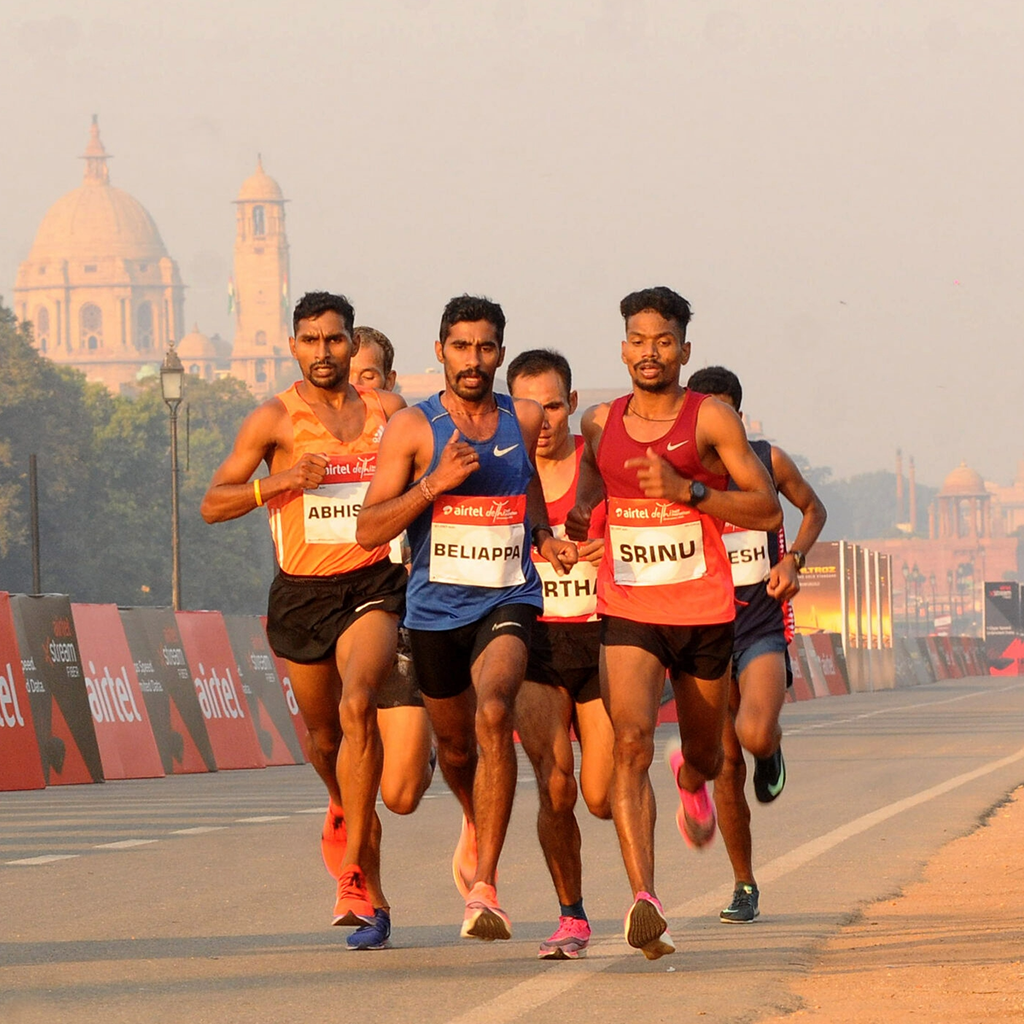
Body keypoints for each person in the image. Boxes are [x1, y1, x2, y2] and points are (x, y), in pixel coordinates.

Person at [201, 292, 427, 951]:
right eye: (310, 340)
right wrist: (283, 482)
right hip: (301, 592)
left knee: (359, 703)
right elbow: (214, 503)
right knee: (326, 738)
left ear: (352, 344)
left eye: (335, 340)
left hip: (373, 584)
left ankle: (357, 879)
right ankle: (343, 810)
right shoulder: (274, 418)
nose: (323, 352)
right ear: (293, 346)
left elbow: (428, 475)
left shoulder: (387, 412)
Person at [565, 286, 782, 960]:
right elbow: (593, 490)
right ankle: (645, 898)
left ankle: (691, 778)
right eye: (638, 338)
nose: (649, 351)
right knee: (629, 741)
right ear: (623, 347)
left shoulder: (711, 420)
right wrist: (579, 522)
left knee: (711, 755)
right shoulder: (601, 422)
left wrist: (690, 491)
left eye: (663, 340)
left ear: (684, 350)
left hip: (704, 610)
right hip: (629, 605)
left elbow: (767, 510)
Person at [356, 295, 578, 942]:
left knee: (494, 709)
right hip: (434, 611)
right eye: (461, 347)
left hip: (508, 596)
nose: (473, 360)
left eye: (485, 348)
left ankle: (484, 883)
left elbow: (526, 489)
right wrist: (432, 485)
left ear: (500, 354)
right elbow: (370, 528)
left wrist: (544, 538)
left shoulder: (526, 417)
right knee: (455, 747)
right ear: (440, 352)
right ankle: (475, 818)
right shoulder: (414, 429)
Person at [686, 365, 826, 924]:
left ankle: (770, 748)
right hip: (702, 630)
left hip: (760, 624)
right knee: (723, 766)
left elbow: (813, 508)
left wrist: (793, 558)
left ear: (738, 419)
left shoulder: (768, 462)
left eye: (726, 415)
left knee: (753, 732)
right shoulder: (678, 474)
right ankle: (744, 884)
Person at [506, 349, 614, 960]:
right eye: (528, 408)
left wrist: (607, 550)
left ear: (570, 405)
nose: (541, 420)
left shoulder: (596, 465)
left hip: (599, 638)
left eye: (552, 405)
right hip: (534, 639)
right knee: (556, 788)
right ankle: (571, 915)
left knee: (598, 796)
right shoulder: (500, 471)